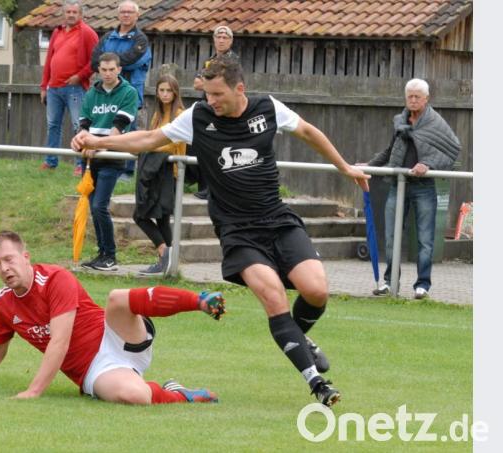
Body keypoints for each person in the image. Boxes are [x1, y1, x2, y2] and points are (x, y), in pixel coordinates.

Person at [73, 57, 371, 407]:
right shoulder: (198, 117)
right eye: (207, 93)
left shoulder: (267, 108)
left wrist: (345, 167)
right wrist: (99, 142)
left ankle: (298, 339)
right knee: (273, 297)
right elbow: (150, 139)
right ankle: (317, 383)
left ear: (239, 89)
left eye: (217, 94)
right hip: (237, 231)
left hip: (277, 219)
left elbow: (307, 131)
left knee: (317, 290)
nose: (210, 100)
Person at [0, 230, 225, 405]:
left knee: (117, 298)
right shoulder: (2, 302)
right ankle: (181, 394)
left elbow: (60, 340)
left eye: (9, 259)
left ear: (25, 257)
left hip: (115, 334)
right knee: (135, 396)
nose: (4, 268)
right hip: (95, 369)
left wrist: (34, 391)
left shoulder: (55, 278)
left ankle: (199, 300)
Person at [359, 78, 460, 300]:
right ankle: (389, 282)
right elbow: (390, 151)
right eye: (410, 96)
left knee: (425, 239)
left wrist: (428, 164)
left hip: (424, 187)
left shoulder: (435, 122)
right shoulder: (400, 122)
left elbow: (453, 148)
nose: (413, 100)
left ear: (426, 99)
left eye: (417, 97)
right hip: (398, 184)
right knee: (391, 236)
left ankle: (422, 285)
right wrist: (369, 165)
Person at [77, 52, 139, 272]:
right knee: (94, 207)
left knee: (99, 206)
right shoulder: (91, 93)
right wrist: (81, 141)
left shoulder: (129, 93)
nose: (108, 73)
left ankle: (111, 256)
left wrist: (98, 145)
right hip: (91, 158)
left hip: (112, 156)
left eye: (112, 69)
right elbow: (84, 124)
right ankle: (101, 253)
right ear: (98, 70)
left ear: (119, 70)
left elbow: (118, 127)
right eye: (103, 70)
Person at [90, 0, 151, 181]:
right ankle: (106, 165)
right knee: (106, 126)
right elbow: (94, 61)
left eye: (130, 12)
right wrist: (115, 62)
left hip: (130, 91)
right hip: (107, 92)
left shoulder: (141, 40)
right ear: (118, 14)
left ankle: (127, 170)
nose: (126, 15)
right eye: (123, 12)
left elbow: (132, 60)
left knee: (129, 130)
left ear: (137, 15)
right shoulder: (108, 37)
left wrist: (108, 61)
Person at [39, 0, 99, 174]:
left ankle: (81, 164)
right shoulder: (57, 32)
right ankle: (50, 161)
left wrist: (79, 76)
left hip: (75, 88)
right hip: (53, 88)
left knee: (78, 125)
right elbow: (49, 60)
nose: (71, 15)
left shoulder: (87, 33)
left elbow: (95, 61)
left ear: (81, 15)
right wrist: (44, 86)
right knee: (53, 125)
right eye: (68, 12)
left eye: (74, 12)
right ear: (63, 14)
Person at [135, 74, 186, 276]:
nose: (165, 94)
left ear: (175, 93)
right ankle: (167, 259)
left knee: (154, 216)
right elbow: (151, 138)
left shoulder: (180, 114)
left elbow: (173, 143)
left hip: (169, 172)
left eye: (169, 90)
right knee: (152, 217)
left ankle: (166, 257)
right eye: (161, 90)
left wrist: (148, 146)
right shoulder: (157, 114)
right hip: (154, 171)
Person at [189, 25, 240, 200]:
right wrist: (211, 84)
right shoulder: (209, 61)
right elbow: (196, 84)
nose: (221, 40)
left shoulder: (233, 61)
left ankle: (216, 188)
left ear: (231, 41)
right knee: (204, 146)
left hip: (224, 109)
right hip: (208, 108)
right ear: (214, 39)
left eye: (225, 37)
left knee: (220, 149)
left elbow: (224, 84)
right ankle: (204, 186)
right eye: (218, 37)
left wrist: (208, 83)